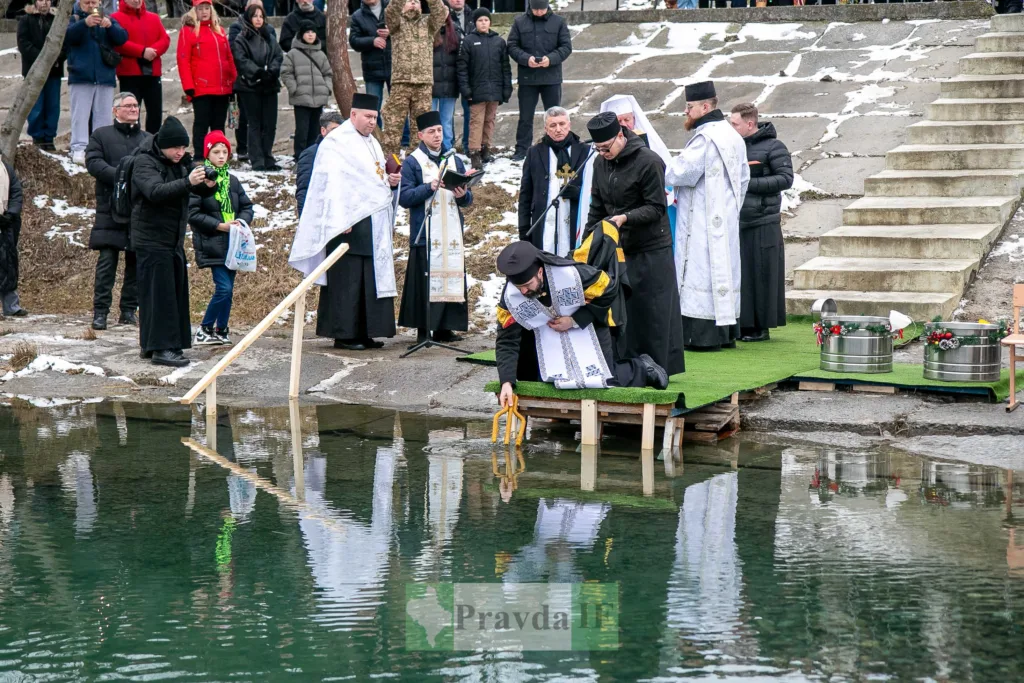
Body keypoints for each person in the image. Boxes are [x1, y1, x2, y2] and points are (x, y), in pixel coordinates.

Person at [494, 240, 669, 408]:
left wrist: (575, 320)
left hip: (588, 326)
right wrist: (507, 382)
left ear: (539, 272)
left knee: (601, 380)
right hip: (548, 339)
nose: (523, 292)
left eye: (527, 285)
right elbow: (507, 340)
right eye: (519, 287)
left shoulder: (573, 275)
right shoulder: (511, 297)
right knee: (555, 384)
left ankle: (643, 368)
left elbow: (609, 289)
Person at [288, 93, 401, 351]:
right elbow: (329, 183)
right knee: (347, 281)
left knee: (368, 278)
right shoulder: (336, 142)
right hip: (345, 223)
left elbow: (374, 179)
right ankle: (344, 334)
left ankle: (367, 330)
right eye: (368, 117)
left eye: (375, 117)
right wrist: (338, 217)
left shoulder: (372, 142)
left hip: (371, 222)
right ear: (353, 115)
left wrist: (390, 182)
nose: (372, 122)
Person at [585, 111, 684, 376]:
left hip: (651, 247)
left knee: (652, 311)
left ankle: (659, 368)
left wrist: (625, 218)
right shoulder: (599, 164)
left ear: (621, 135)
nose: (604, 153)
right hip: (619, 249)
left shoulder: (649, 161)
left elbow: (656, 208)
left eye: (607, 148)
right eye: (598, 149)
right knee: (624, 310)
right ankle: (630, 367)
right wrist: (587, 242)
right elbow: (597, 207)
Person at [666, 81, 749, 352]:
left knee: (699, 273)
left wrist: (660, 164)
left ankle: (699, 336)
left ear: (705, 106)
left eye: (689, 107)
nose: (686, 112)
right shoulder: (732, 135)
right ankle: (725, 334)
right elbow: (744, 178)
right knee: (722, 273)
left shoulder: (706, 138)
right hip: (723, 218)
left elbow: (681, 173)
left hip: (702, 219)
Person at [131, 116, 216, 367]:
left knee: (171, 294)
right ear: (162, 145)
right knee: (160, 296)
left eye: (183, 147)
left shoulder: (180, 162)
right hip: (151, 238)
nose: (180, 153)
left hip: (172, 239)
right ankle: (162, 349)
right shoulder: (144, 162)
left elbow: (189, 188)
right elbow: (155, 192)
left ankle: (154, 345)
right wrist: (188, 182)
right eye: (175, 148)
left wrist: (207, 185)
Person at [398, 111, 473, 346]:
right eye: (431, 131)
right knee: (425, 281)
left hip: (451, 231)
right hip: (426, 233)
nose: (437, 135)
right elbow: (405, 197)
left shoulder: (454, 159)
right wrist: (429, 186)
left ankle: (445, 328)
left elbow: (468, 199)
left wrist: (463, 195)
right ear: (420, 135)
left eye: (439, 130)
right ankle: (424, 330)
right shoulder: (412, 162)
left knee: (451, 276)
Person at [85, 91, 150, 331]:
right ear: (116, 110)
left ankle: (128, 311)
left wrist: (137, 183)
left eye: (136, 106)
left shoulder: (147, 139)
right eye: (129, 106)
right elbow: (93, 162)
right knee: (107, 261)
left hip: (138, 207)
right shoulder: (101, 135)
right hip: (109, 208)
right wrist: (121, 178)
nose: (134, 109)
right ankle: (100, 312)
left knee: (134, 261)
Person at [728, 103, 792, 343]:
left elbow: (785, 178)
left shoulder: (774, 147)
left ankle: (761, 327)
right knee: (743, 275)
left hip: (764, 220)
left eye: (735, 124)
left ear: (750, 124)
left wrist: (747, 183)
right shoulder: (733, 147)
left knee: (763, 274)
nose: (731, 128)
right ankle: (743, 323)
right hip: (738, 220)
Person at [189, 131, 255, 346]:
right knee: (223, 288)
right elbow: (193, 214)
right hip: (212, 242)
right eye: (216, 151)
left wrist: (240, 222)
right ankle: (205, 328)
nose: (221, 156)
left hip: (233, 242)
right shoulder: (200, 180)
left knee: (228, 289)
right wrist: (219, 226)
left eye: (225, 151)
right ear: (207, 154)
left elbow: (246, 206)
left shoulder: (232, 181)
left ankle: (221, 328)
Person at [380, 0, 447, 157]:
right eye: (409, 1)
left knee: (421, 127)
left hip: (423, 84)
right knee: (393, 126)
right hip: (401, 82)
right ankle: (391, 164)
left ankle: (416, 162)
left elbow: (440, 12)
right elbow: (390, 11)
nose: (412, 4)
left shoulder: (429, 24)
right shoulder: (396, 24)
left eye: (416, 1)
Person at [65, 0, 129, 165]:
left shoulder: (106, 18)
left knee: (103, 116)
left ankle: (101, 149)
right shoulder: (73, 18)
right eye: (88, 2)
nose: (92, 5)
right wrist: (84, 24)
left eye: (95, 2)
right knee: (80, 114)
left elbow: (122, 38)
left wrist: (110, 26)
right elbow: (68, 36)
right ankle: (79, 148)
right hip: (81, 75)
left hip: (104, 76)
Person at [506, 0, 571, 161]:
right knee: (525, 116)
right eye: (536, 10)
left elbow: (566, 47)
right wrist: (526, 59)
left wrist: (551, 59)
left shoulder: (558, 22)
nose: (539, 12)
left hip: (551, 78)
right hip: (528, 78)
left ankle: (558, 146)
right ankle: (522, 149)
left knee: (555, 116)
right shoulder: (520, 22)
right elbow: (512, 46)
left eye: (542, 9)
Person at [518, 106, 588, 256]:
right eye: (553, 125)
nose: (558, 129)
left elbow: (595, 187)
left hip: (574, 219)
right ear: (545, 128)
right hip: (545, 221)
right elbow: (526, 193)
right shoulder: (535, 152)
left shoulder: (585, 151)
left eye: (562, 124)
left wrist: (579, 193)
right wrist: (524, 228)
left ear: (569, 125)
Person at [177, 0, 237, 161]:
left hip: (222, 86)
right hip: (201, 87)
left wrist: (233, 80)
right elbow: (183, 60)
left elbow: (228, 57)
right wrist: (188, 86)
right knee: (201, 123)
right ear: (194, 11)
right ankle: (199, 155)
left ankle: (218, 155)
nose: (204, 12)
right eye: (200, 9)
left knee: (218, 124)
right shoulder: (188, 32)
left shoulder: (220, 31)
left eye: (207, 9)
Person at [456, 7, 511, 169]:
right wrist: (466, 90)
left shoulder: (499, 41)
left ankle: (486, 148)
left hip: (494, 90)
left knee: (489, 121)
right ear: (475, 22)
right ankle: (474, 153)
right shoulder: (468, 41)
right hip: (476, 92)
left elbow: (505, 67)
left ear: (490, 22)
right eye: (480, 20)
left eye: (486, 20)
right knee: (476, 122)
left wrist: (506, 89)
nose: (483, 23)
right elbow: (462, 68)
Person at [232, 4, 283, 170]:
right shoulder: (242, 37)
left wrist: (272, 72)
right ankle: (257, 159)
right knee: (255, 123)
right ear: (249, 18)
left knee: (270, 123)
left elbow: (278, 55)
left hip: (269, 85)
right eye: (255, 16)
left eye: (261, 16)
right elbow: (241, 60)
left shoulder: (269, 36)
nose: (258, 19)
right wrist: (259, 73)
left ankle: (268, 156)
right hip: (250, 86)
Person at [112, 0, 170, 135]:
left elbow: (165, 39)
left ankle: (152, 144)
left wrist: (153, 51)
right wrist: (142, 51)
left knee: (155, 113)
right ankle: (130, 142)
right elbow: (118, 43)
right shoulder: (116, 18)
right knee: (129, 114)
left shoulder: (154, 18)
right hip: (129, 73)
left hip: (153, 72)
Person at [17, 0, 66, 152]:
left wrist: (56, 59)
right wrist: (43, 58)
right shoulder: (26, 20)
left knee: (52, 106)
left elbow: (64, 44)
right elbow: (23, 43)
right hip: (33, 70)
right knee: (36, 105)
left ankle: (49, 138)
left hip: (54, 71)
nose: (44, 2)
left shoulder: (57, 20)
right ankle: (37, 137)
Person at [281, 20, 333, 160]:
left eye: (313, 32)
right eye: (307, 32)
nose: (310, 35)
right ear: (301, 34)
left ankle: (312, 156)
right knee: (302, 131)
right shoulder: (293, 53)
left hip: (318, 98)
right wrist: (294, 88)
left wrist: (326, 88)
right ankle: (299, 157)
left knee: (315, 130)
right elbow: (286, 72)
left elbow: (328, 73)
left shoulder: (321, 54)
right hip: (301, 98)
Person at [349, 0, 392, 129]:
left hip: (395, 67)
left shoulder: (392, 8)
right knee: (373, 108)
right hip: (372, 68)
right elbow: (354, 40)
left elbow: (407, 29)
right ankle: (375, 138)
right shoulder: (358, 16)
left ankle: (404, 139)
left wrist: (392, 32)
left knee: (399, 106)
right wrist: (372, 41)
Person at [295, 110, 344, 217]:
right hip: (318, 215)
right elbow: (304, 189)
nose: (338, 134)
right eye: (334, 130)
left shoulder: (345, 152)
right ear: (323, 131)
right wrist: (305, 218)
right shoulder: (311, 154)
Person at [430, 7, 460, 153]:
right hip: (431, 85)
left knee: (446, 121)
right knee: (430, 121)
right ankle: (431, 149)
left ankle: (447, 149)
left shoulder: (455, 32)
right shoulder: (428, 30)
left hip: (450, 84)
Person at [0, 162, 26, 318]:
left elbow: (16, 193)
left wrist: (11, 214)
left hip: (5, 225)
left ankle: (11, 306)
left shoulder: (5, 168)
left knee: (8, 266)